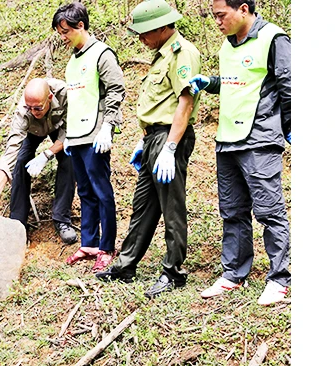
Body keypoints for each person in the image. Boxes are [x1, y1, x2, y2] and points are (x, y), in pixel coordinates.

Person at [96, 0, 201, 298]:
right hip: (154, 138)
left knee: (172, 207)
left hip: (170, 137)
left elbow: (185, 102)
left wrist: (170, 147)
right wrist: (147, 142)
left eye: (144, 33)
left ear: (162, 27)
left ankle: (173, 272)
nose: (140, 38)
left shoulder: (183, 54)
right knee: (143, 205)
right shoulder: (161, 55)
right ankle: (126, 265)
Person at [189, 0, 291, 306]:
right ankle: (233, 273)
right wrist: (210, 83)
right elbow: (239, 83)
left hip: (259, 139)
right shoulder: (227, 45)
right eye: (214, 16)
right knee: (232, 212)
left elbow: (288, 85)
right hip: (228, 140)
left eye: (221, 15)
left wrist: (292, 125)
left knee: (269, 212)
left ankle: (279, 279)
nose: (217, 22)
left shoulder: (274, 39)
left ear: (243, 9)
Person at [52, 2, 126, 271]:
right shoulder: (73, 60)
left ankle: (107, 247)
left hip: (96, 135)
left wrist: (109, 126)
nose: (63, 37)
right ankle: (89, 243)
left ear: (80, 25)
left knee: (101, 190)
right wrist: (68, 135)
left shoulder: (102, 54)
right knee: (83, 191)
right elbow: (76, 100)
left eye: (66, 31)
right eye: (60, 33)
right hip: (77, 136)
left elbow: (116, 90)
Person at [0, 77, 77, 245]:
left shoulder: (63, 93)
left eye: (37, 108)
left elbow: (72, 130)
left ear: (49, 98)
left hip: (60, 129)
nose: (33, 111)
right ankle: (18, 223)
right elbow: (11, 152)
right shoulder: (23, 111)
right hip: (33, 131)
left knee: (69, 159)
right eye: (30, 108)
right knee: (20, 161)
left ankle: (62, 218)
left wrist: (47, 154)